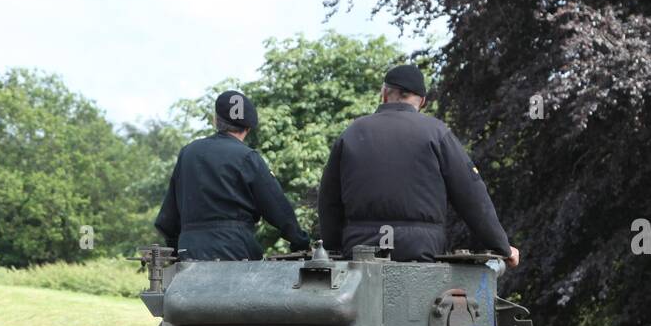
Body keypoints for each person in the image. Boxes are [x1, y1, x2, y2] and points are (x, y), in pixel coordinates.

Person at [318, 64, 519, 266]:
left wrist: (333, 248)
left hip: (359, 251)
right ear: (422, 101)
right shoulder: (437, 132)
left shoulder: (351, 133)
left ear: (384, 94)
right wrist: (501, 245)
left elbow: (328, 200)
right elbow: (471, 194)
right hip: (422, 250)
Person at [155, 90, 310, 260]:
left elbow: (167, 218)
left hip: (189, 252)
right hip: (235, 251)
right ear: (248, 128)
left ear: (215, 120)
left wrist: (176, 246)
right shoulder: (247, 157)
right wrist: (300, 242)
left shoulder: (188, 153)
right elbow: (277, 207)